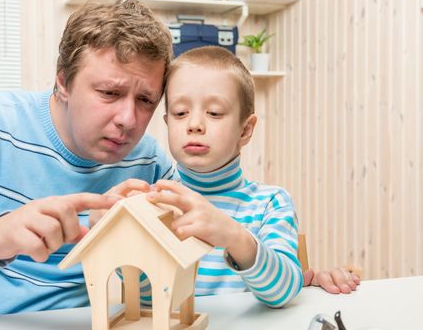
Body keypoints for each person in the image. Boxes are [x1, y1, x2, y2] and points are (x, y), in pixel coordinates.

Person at [0, 0, 175, 323]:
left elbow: (169, 284)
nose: (128, 119)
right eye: (109, 93)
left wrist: (127, 243)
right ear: (63, 82)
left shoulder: (150, 162)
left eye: (145, 100)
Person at [145, 46, 359, 307]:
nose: (194, 124)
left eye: (214, 113)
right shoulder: (156, 204)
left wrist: (234, 236)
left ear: (245, 130)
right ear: (168, 123)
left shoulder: (271, 203)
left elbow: (283, 291)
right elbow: (146, 298)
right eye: (180, 113)